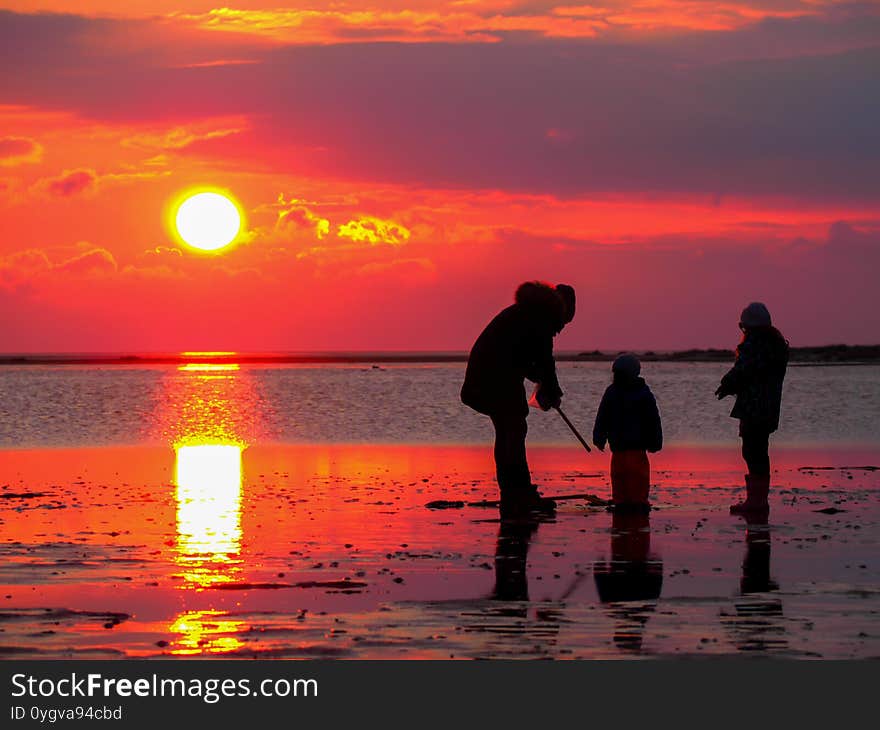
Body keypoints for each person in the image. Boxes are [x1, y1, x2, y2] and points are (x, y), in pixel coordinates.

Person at [461, 281, 576, 515]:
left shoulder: (527, 315)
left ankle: (515, 492)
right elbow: (544, 363)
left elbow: (526, 361)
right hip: (492, 380)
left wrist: (546, 385)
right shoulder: (540, 321)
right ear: (560, 312)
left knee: (510, 431)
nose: (560, 330)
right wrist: (551, 390)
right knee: (512, 431)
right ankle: (518, 494)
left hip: (490, 379)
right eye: (563, 324)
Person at [715, 302, 789, 516]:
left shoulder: (754, 344)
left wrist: (726, 384)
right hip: (769, 408)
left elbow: (743, 371)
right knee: (759, 452)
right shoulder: (777, 345)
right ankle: (758, 501)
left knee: (751, 451)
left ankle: (756, 503)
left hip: (754, 408)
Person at [592, 354, 662, 512]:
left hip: (636, 447)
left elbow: (653, 420)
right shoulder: (613, 392)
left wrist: (655, 441)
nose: (617, 377)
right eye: (616, 373)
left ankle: (637, 502)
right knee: (619, 477)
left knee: (637, 478)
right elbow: (603, 416)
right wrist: (599, 437)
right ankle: (622, 502)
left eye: (620, 373)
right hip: (619, 447)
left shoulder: (643, 394)